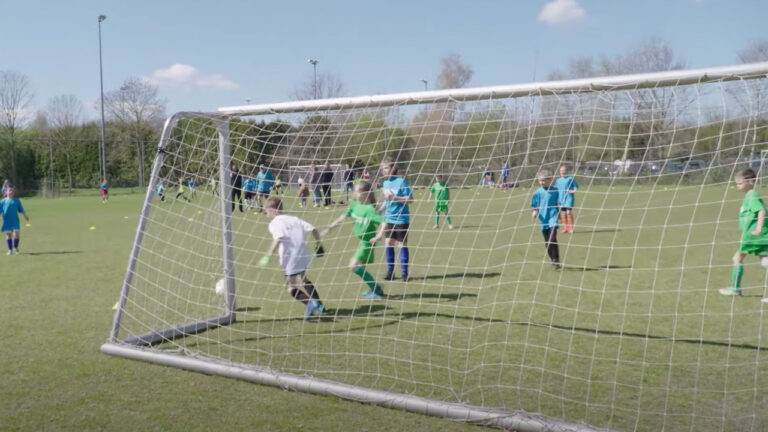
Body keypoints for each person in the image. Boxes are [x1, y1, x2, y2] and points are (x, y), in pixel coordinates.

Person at [259, 196, 326, 319]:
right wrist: (318, 244)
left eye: (266, 210)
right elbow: (314, 229)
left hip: (290, 258)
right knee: (303, 278)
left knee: (291, 287)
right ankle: (320, 306)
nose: (266, 213)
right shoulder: (294, 219)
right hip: (303, 254)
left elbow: (278, 239)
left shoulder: (274, 223)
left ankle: (310, 303)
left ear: (273, 210)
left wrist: (268, 255)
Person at [323, 181, 386, 299]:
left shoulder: (369, 210)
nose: (354, 193)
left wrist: (379, 235)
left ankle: (377, 289)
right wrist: (330, 227)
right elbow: (343, 216)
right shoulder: (354, 205)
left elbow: (384, 222)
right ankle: (374, 289)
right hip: (361, 241)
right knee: (362, 268)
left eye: (356, 191)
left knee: (353, 266)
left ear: (364, 193)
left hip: (367, 243)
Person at [720, 169, 768, 301]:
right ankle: (735, 288)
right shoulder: (750, 195)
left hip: (753, 235)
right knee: (765, 261)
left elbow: (761, 211)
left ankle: (735, 289)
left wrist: (758, 229)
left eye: (740, 183)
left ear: (750, 182)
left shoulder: (752, 195)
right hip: (758, 234)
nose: (738, 186)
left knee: (737, 258)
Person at [371, 158, 414, 282]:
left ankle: (404, 273)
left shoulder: (402, 182)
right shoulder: (385, 183)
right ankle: (390, 272)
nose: (383, 171)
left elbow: (410, 200)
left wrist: (395, 197)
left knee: (401, 244)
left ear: (392, 168)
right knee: (388, 243)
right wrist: (380, 208)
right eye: (382, 169)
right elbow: (387, 200)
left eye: (385, 168)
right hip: (389, 218)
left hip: (401, 219)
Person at [531, 169, 561, 269]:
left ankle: (556, 260)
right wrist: (534, 211)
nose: (542, 182)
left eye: (544, 180)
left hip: (553, 217)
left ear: (549, 180)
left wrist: (560, 212)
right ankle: (552, 258)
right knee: (547, 242)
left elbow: (558, 203)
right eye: (540, 180)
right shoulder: (537, 193)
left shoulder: (555, 190)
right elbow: (534, 204)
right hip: (543, 219)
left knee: (552, 239)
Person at [1, 187, 29, 255]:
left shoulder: (17, 201)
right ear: (6, 193)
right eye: (9, 191)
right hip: (6, 221)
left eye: (12, 191)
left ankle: (16, 248)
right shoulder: (2, 201)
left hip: (15, 221)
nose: (11, 192)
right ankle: (10, 250)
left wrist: (25, 216)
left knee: (17, 234)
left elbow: (21, 209)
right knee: (8, 235)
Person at [555, 165, 579, 233]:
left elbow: (575, 186)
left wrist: (573, 191)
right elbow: (556, 189)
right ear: (559, 172)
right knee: (563, 213)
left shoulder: (570, 178)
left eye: (564, 170)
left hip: (569, 198)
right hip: (561, 198)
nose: (562, 171)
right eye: (561, 170)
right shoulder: (558, 180)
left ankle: (571, 228)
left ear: (566, 171)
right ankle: (565, 228)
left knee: (568, 212)